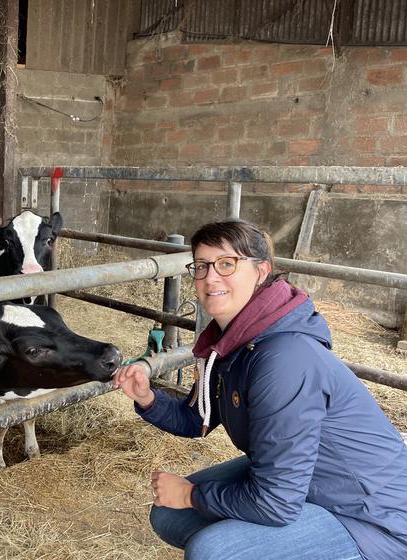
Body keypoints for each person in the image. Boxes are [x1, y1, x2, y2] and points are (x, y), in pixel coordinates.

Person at [113, 219, 407, 560]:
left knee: (215, 551)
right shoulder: (232, 344)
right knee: (169, 514)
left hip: (370, 517)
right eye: (202, 266)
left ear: (260, 271)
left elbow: (276, 504)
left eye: (227, 264)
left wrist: (191, 495)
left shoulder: (283, 358)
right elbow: (198, 419)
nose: (210, 277)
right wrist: (147, 398)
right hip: (298, 481)